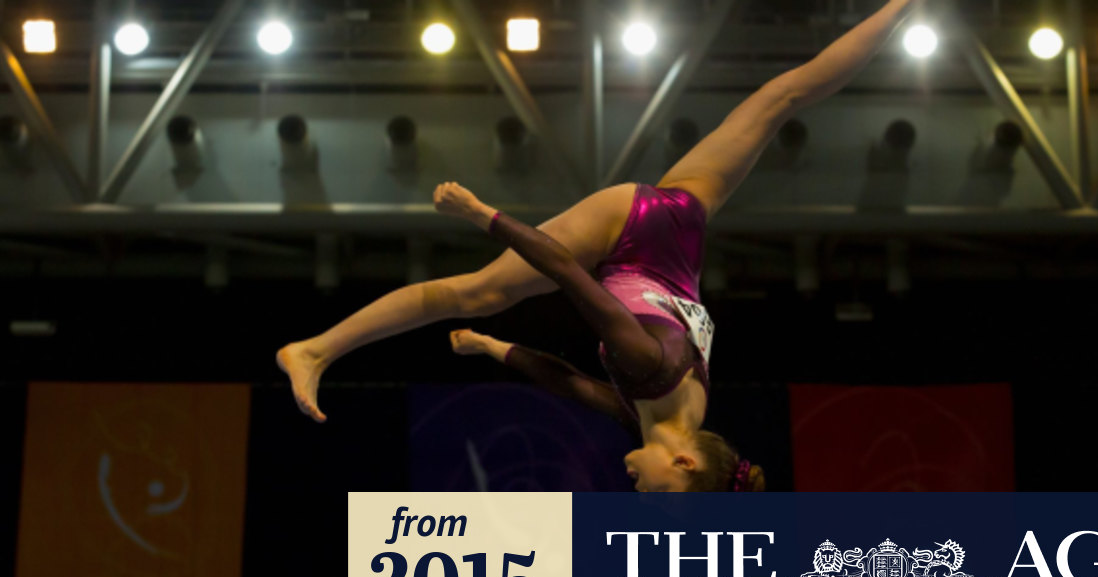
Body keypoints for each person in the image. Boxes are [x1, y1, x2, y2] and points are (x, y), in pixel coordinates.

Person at [277, 0, 921, 491]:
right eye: (662, 492)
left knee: (782, 96)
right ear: (685, 461)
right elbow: (567, 275)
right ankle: (314, 348)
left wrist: (491, 347)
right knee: (479, 291)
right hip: (635, 228)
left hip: (681, 233)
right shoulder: (648, 369)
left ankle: (900, 6)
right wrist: (483, 214)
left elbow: (567, 384)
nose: (640, 491)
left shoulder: (668, 418)